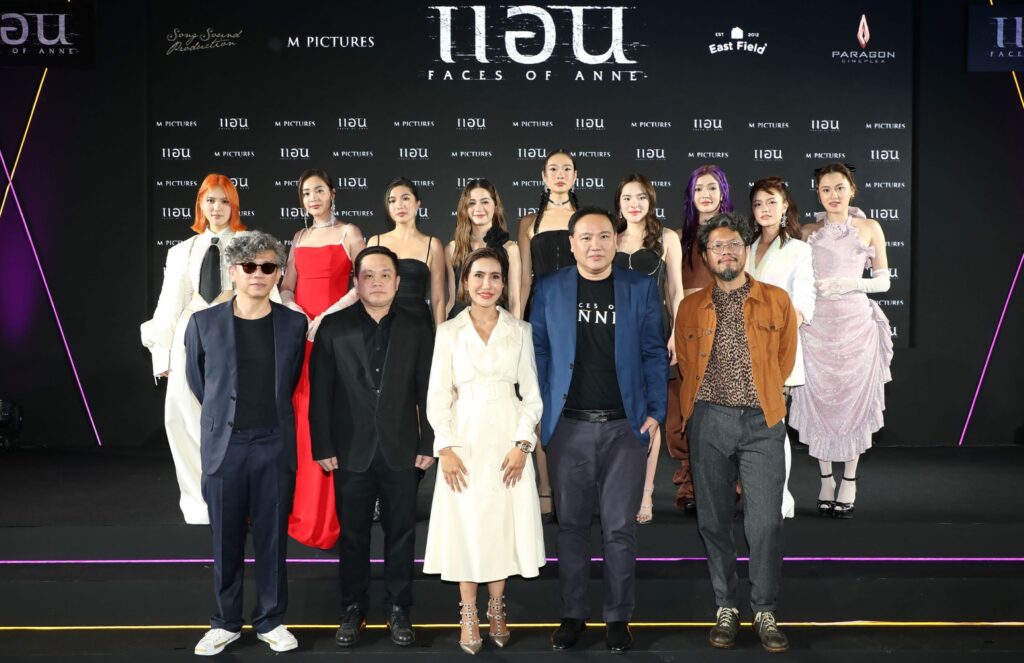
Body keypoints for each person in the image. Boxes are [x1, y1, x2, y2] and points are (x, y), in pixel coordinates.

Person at [531, 207, 667, 653]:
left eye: (604, 236)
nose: (595, 245)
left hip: (624, 428)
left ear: (616, 241)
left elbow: (653, 352)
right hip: (568, 427)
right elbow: (539, 351)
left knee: (619, 529)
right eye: (586, 237)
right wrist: (543, 410)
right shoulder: (549, 287)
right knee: (570, 527)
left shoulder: (640, 287)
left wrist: (656, 411)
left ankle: (617, 618)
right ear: (571, 243)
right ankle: (573, 615)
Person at [674, 213, 797, 653]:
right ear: (706, 256)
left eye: (733, 245)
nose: (726, 253)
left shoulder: (776, 301)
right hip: (709, 420)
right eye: (717, 247)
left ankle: (764, 609)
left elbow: (784, 359)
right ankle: (726, 605)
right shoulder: (690, 307)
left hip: (763, 422)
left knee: (765, 522)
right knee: (713, 520)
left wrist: (762, 397)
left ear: (745, 250)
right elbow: (685, 363)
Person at [184, 231, 307, 656]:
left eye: (268, 266)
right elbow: (200, 382)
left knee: (272, 539)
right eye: (249, 266)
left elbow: (290, 379)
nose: (258, 274)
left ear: (278, 273)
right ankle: (225, 623)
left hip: (274, 443)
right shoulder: (203, 323)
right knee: (226, 540)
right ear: (233, 271)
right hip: (225, 447)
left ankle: (271, 619)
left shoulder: (294, 324)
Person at [308, 246, 435, 648]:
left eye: (384, 275)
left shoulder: (417, 327)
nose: (376, 282)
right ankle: (352, 608)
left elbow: (429, 390)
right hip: (349, 450)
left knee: (402, 535)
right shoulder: (333, 327)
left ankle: (398, 609)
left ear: (397, 282)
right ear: (356, 282)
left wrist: (429, 441)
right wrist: (323, 444)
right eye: (368, 275)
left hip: (402, 449)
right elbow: (320, 393)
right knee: (353, 536)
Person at [424, 247, 545, 654]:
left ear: (504, 283)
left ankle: (496, 607)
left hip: (508, 441)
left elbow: (532, 397)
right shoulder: (448, 332)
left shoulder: (520, 331)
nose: (486, 284)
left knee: (502, 525)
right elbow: (437, 396)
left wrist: (522, 445)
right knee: (466, 526)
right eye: (478, 276)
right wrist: (446, 448)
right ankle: (468, 612)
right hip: (464, 441)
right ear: (465, 281)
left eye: (495, 276)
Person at [141, 174, 245, 525]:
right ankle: (199, 502)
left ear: (234, 205)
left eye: (224, 201)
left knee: (233, 419)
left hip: (235, 333)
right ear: (200, 204)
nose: (217, 208)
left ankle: (235, 497)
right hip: (190, 335)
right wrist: (163, 355)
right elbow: (169, 304)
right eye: (210, 200)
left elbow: (267, 296)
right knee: (180, 417)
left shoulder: (249, 244)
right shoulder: (181, 250)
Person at [791, 163, 893, 518]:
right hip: (816, 329)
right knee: (819, 402)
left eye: (839, 187)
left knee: (853, 402)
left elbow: (884, 281)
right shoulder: (808, 232)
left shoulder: (870, 228)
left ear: (852, 189)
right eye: (825, 189)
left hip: (855, 328)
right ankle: (825, 479)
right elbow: (798, 279)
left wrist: (850, 284)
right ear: (818, 194)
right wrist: (813, 290)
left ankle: (849, 478)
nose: (833, 195)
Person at [279, 168, 365, 550]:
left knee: (329, 417)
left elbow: (363, 283)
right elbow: (286, 285)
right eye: (306, 193)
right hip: (303, 337)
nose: (312, 198)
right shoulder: (299, 238)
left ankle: (329, 514)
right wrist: (295, 311)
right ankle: (301, 507)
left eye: (318, 191)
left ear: (332, 193)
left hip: (335, 335)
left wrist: (327, 317)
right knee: (302, 418)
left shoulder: (349, 233)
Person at [611, 174, 684, 524]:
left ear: (651, 200)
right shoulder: (609, 237)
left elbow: (676, 291)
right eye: (627, 197)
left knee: (651, 414)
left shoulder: (667, 238)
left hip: (653, 335)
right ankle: (616, 488)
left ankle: (646, 492)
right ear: (618, 203)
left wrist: (676, 334)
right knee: (616, 414)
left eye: (641, 197)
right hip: (612, 337)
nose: (634, 204)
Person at [745, 177, 815, 519]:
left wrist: (777, 334)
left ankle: (780, 497)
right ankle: (755, 496)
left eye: (771, 202)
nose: (765, 209)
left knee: (773, 427)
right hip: (742, 351)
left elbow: (803, 302)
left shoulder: (799, 249)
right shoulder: (746, 248)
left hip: (777, 351)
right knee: (749, 430)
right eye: (758, 203)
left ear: (785, 206)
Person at [517, 148, 579, 523]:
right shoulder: (529, 222)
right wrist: (517, 322)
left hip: (577, 318)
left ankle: (574, 486)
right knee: (539, 402)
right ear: (543, 176)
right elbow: (525, 279)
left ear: (575, 176)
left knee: (576, 403)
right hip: (540, 316)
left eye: (566, 168)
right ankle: (544, 485)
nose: (560, 174)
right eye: (553, 168)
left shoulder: (584, 218)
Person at [670, 165, 736, 513]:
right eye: (698, 189)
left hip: (725, 327)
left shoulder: (737, 235)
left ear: (723, 192)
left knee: (723, 408)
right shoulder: (678, 238)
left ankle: (727, 484)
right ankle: (693, 484)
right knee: (688, 409)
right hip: (686, 329)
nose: (705, 195)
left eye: (712, 188)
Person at [367, 177, 446, 326]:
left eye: (405, 198)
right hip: (382, 326)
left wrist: (441, 335)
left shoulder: (432, 245)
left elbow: (438, 299)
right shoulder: (375, 242)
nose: (399, 205)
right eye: (392, 201)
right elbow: (366, 292)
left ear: (418, 204)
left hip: (419, 326)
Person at [445, 179, 522, 319]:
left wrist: (515, 330)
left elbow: (514, 301)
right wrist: (442, 330)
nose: (479, 208)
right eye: (472, 203)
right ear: (464, 208)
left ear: (496, 205)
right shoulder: (453, 248)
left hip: (496, 325)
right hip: (460, 324)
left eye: (485, 202)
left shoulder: (510, 249)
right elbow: (452, 299)